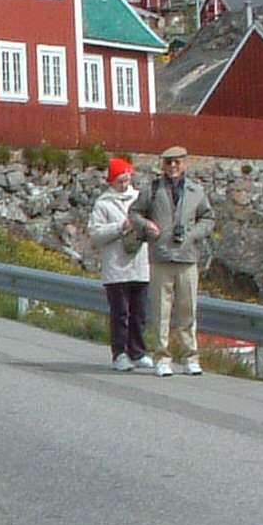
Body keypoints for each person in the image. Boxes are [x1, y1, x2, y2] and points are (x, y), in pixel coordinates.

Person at [133, 145, 213, 375]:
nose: (173, 166)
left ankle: (190, 357)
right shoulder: (152, 189)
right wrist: (147, 225)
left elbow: (208, 218)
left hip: (187, 258)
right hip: (161, 256)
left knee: (188, 310)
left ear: (185, 164)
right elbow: (134, 213)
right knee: (161, 311)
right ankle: (162, 357)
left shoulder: (196, 191)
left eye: (177, 162)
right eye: (168, 162)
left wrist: (193, 234)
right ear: (163, 165)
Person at [85, 157, 150, 372]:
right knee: (120, 313)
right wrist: (119, 227)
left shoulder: (139, 199)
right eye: (119, 181)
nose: (123, 185)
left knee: (139, 312)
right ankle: (120, 353)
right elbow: (96, 234)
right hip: (116, 266)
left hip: (139, 264)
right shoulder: (103, 204)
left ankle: (138, 352)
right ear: (112, 181)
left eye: (126, 180)